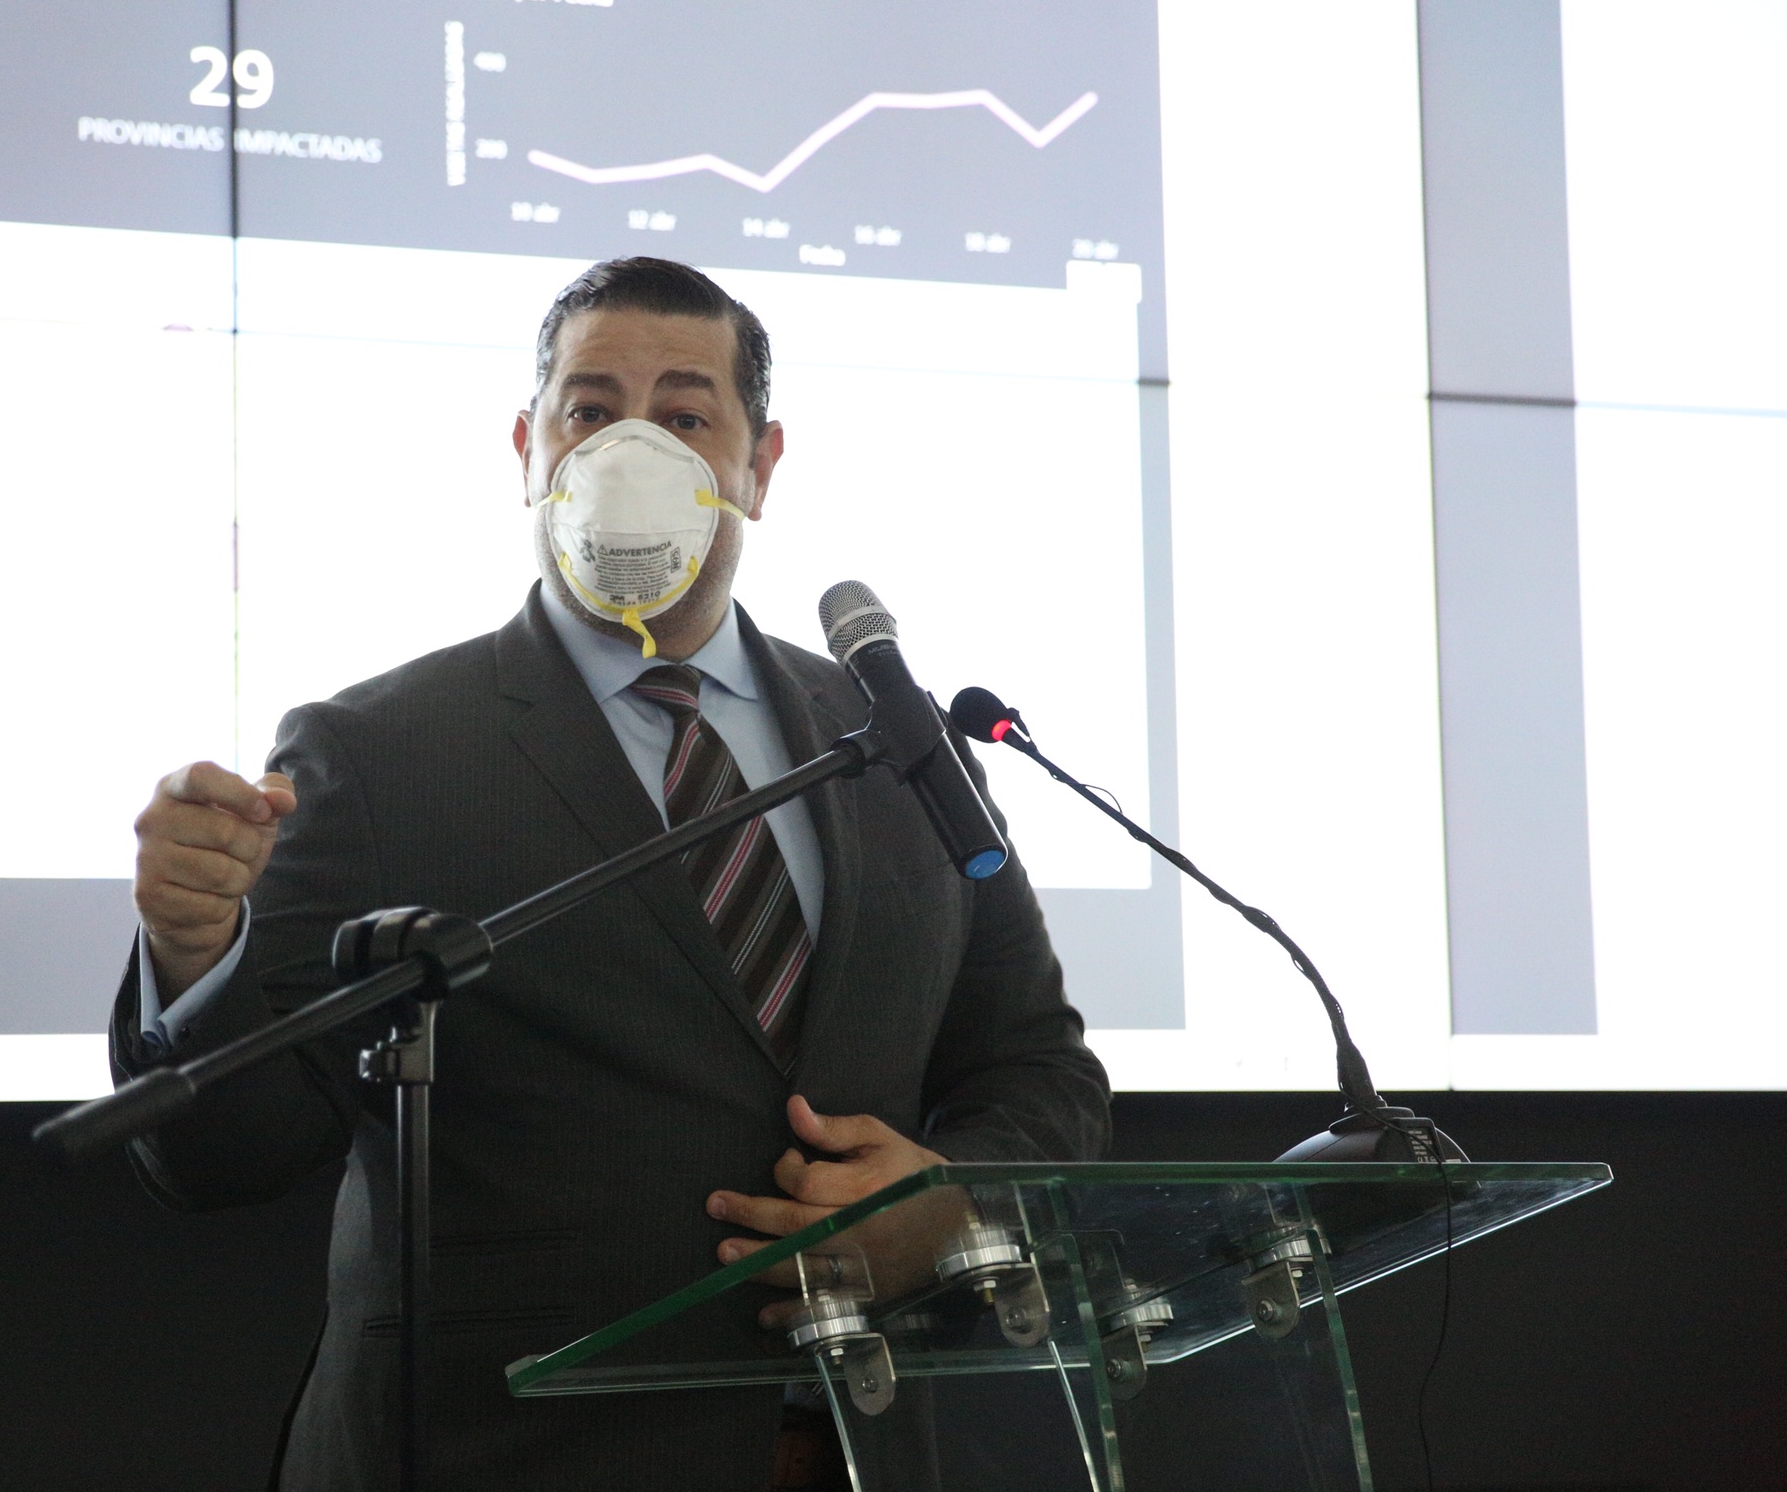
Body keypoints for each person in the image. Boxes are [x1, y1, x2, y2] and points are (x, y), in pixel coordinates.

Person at [114, 256, 1110, 1491]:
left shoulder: (894, 741)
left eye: (685, 416)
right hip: (508, 1457)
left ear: (760, 466)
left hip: (857, 1447)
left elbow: (1036, 1068)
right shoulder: (374, 754)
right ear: (528, 450)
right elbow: (222, 1158)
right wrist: (193, 951)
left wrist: (956, 1207)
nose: (631, 450)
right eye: (591, 411)